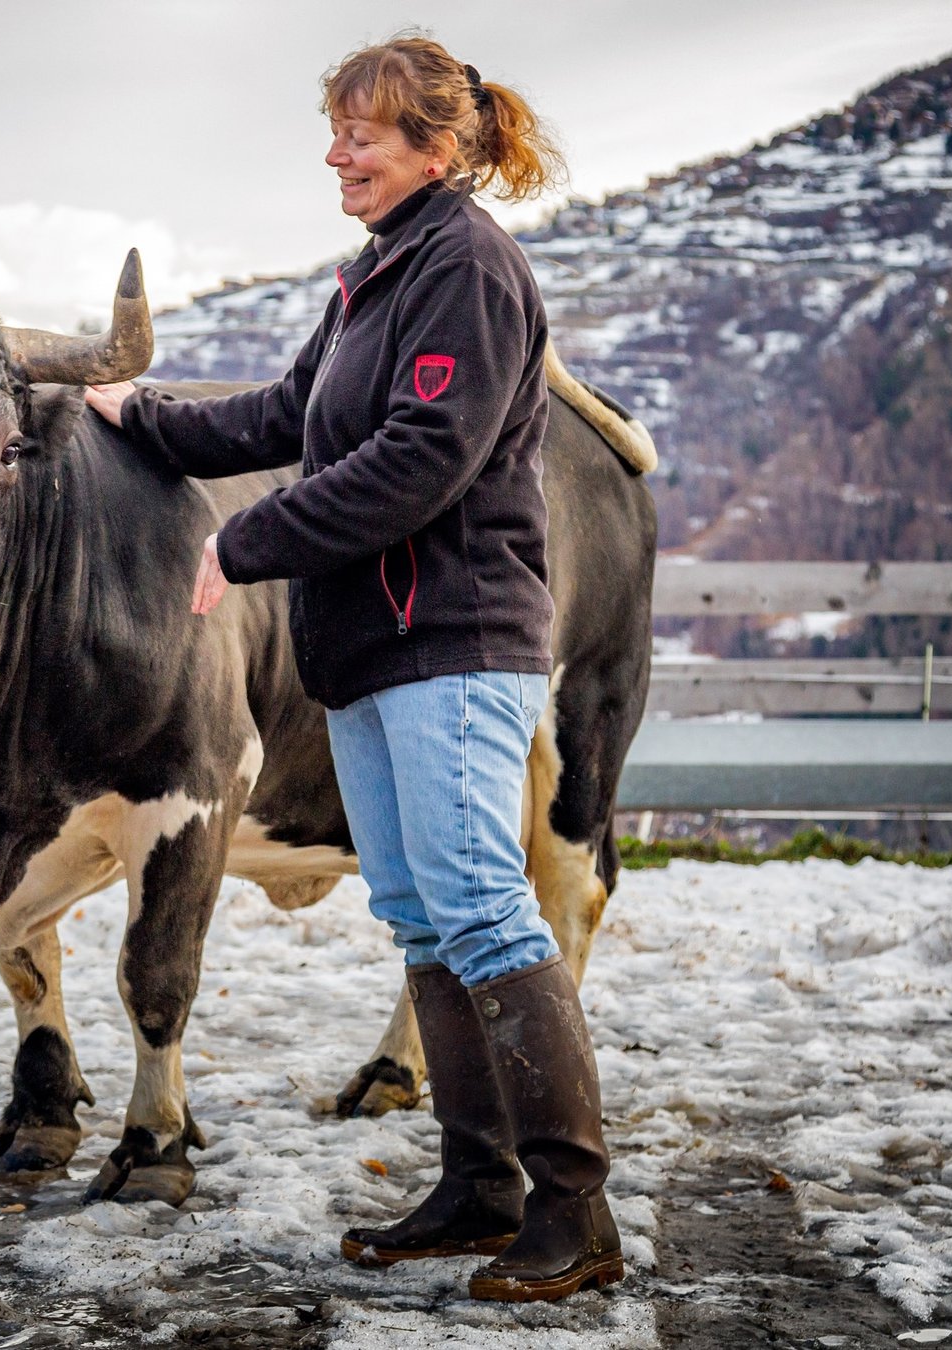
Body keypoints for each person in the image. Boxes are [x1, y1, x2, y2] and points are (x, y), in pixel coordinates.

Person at [83, 34, 623, 1304]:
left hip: (453, 642)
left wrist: (250, 537)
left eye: (363, 135)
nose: (338, 153)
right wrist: (140, 418)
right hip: (373, 652)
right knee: (426, 918)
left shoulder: (469, 269)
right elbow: (287, 416)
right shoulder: (378, 272)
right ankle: (478, 1185)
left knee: (487, 907)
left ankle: (575, 1214)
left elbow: (422, 456)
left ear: (438, 149)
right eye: (333, 130)